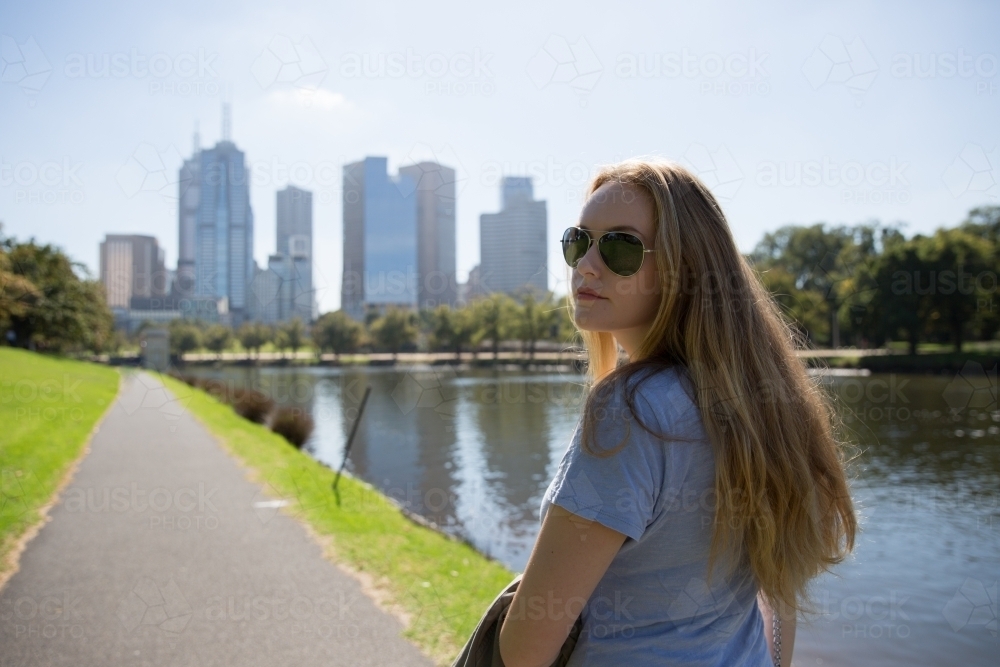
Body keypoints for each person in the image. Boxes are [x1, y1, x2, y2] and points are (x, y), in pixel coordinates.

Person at [497, 160, 857, 666]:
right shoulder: (763, 405)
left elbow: (523, 650)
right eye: (579, 242)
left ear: (685, 268)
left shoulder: (631, 412)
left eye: (620, 247)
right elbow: (779, 593)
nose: (587, 265)